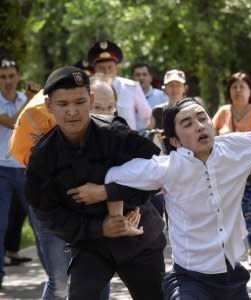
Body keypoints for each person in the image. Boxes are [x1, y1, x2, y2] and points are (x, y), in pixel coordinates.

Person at [72, 97, 251, 299]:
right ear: (175, 141)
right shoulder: (167, 168)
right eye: (187, 123)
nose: (200, 125)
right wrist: (116, 213)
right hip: (191, 282)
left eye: (202, 118)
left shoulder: (235, 146)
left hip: (234, 277)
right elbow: (114, 174)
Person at [24, 66, 166, 300]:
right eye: (63, 104)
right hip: (91, 243)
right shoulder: (43, 157)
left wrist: (107, 192)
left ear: (90, 100)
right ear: (49, 106)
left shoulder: (116, 134)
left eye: (79, 102)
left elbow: (156, 172)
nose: (72, 111)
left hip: (137, 235)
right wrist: (100, 228)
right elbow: (47, 212)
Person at [10, 74, 121, 299]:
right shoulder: (51, 127)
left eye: (110, 108)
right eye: (98, 107)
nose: (104, 113)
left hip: (90, 209)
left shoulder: (111, 131)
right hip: (51, 206)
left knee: (98, 274)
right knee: (61, 283)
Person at [212, 72, 251, 266]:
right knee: (229, 212)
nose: (238, 90)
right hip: (228, 173)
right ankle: (231, 250)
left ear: (250, 91)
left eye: (242, 86)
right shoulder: (223, 111)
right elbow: (211, 136)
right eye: (234, 87)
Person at [0, 57, 33, 290]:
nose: (8, 81)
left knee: (40, 221)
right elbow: (13, 123)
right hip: (1, 169)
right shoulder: (25, 102)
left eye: (12, 76)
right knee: (0, 224)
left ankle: (56, 274)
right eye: (3, 77)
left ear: (18, 77)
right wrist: (31, 101)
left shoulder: (25, 99)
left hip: (25, 168)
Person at [87, 40, 152, 131]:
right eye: (101, 68)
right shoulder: (88, 89)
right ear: (95, 69)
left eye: (110, 67)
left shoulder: (131, 87)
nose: (106, 71)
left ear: (117, 68)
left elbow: (148, 117)